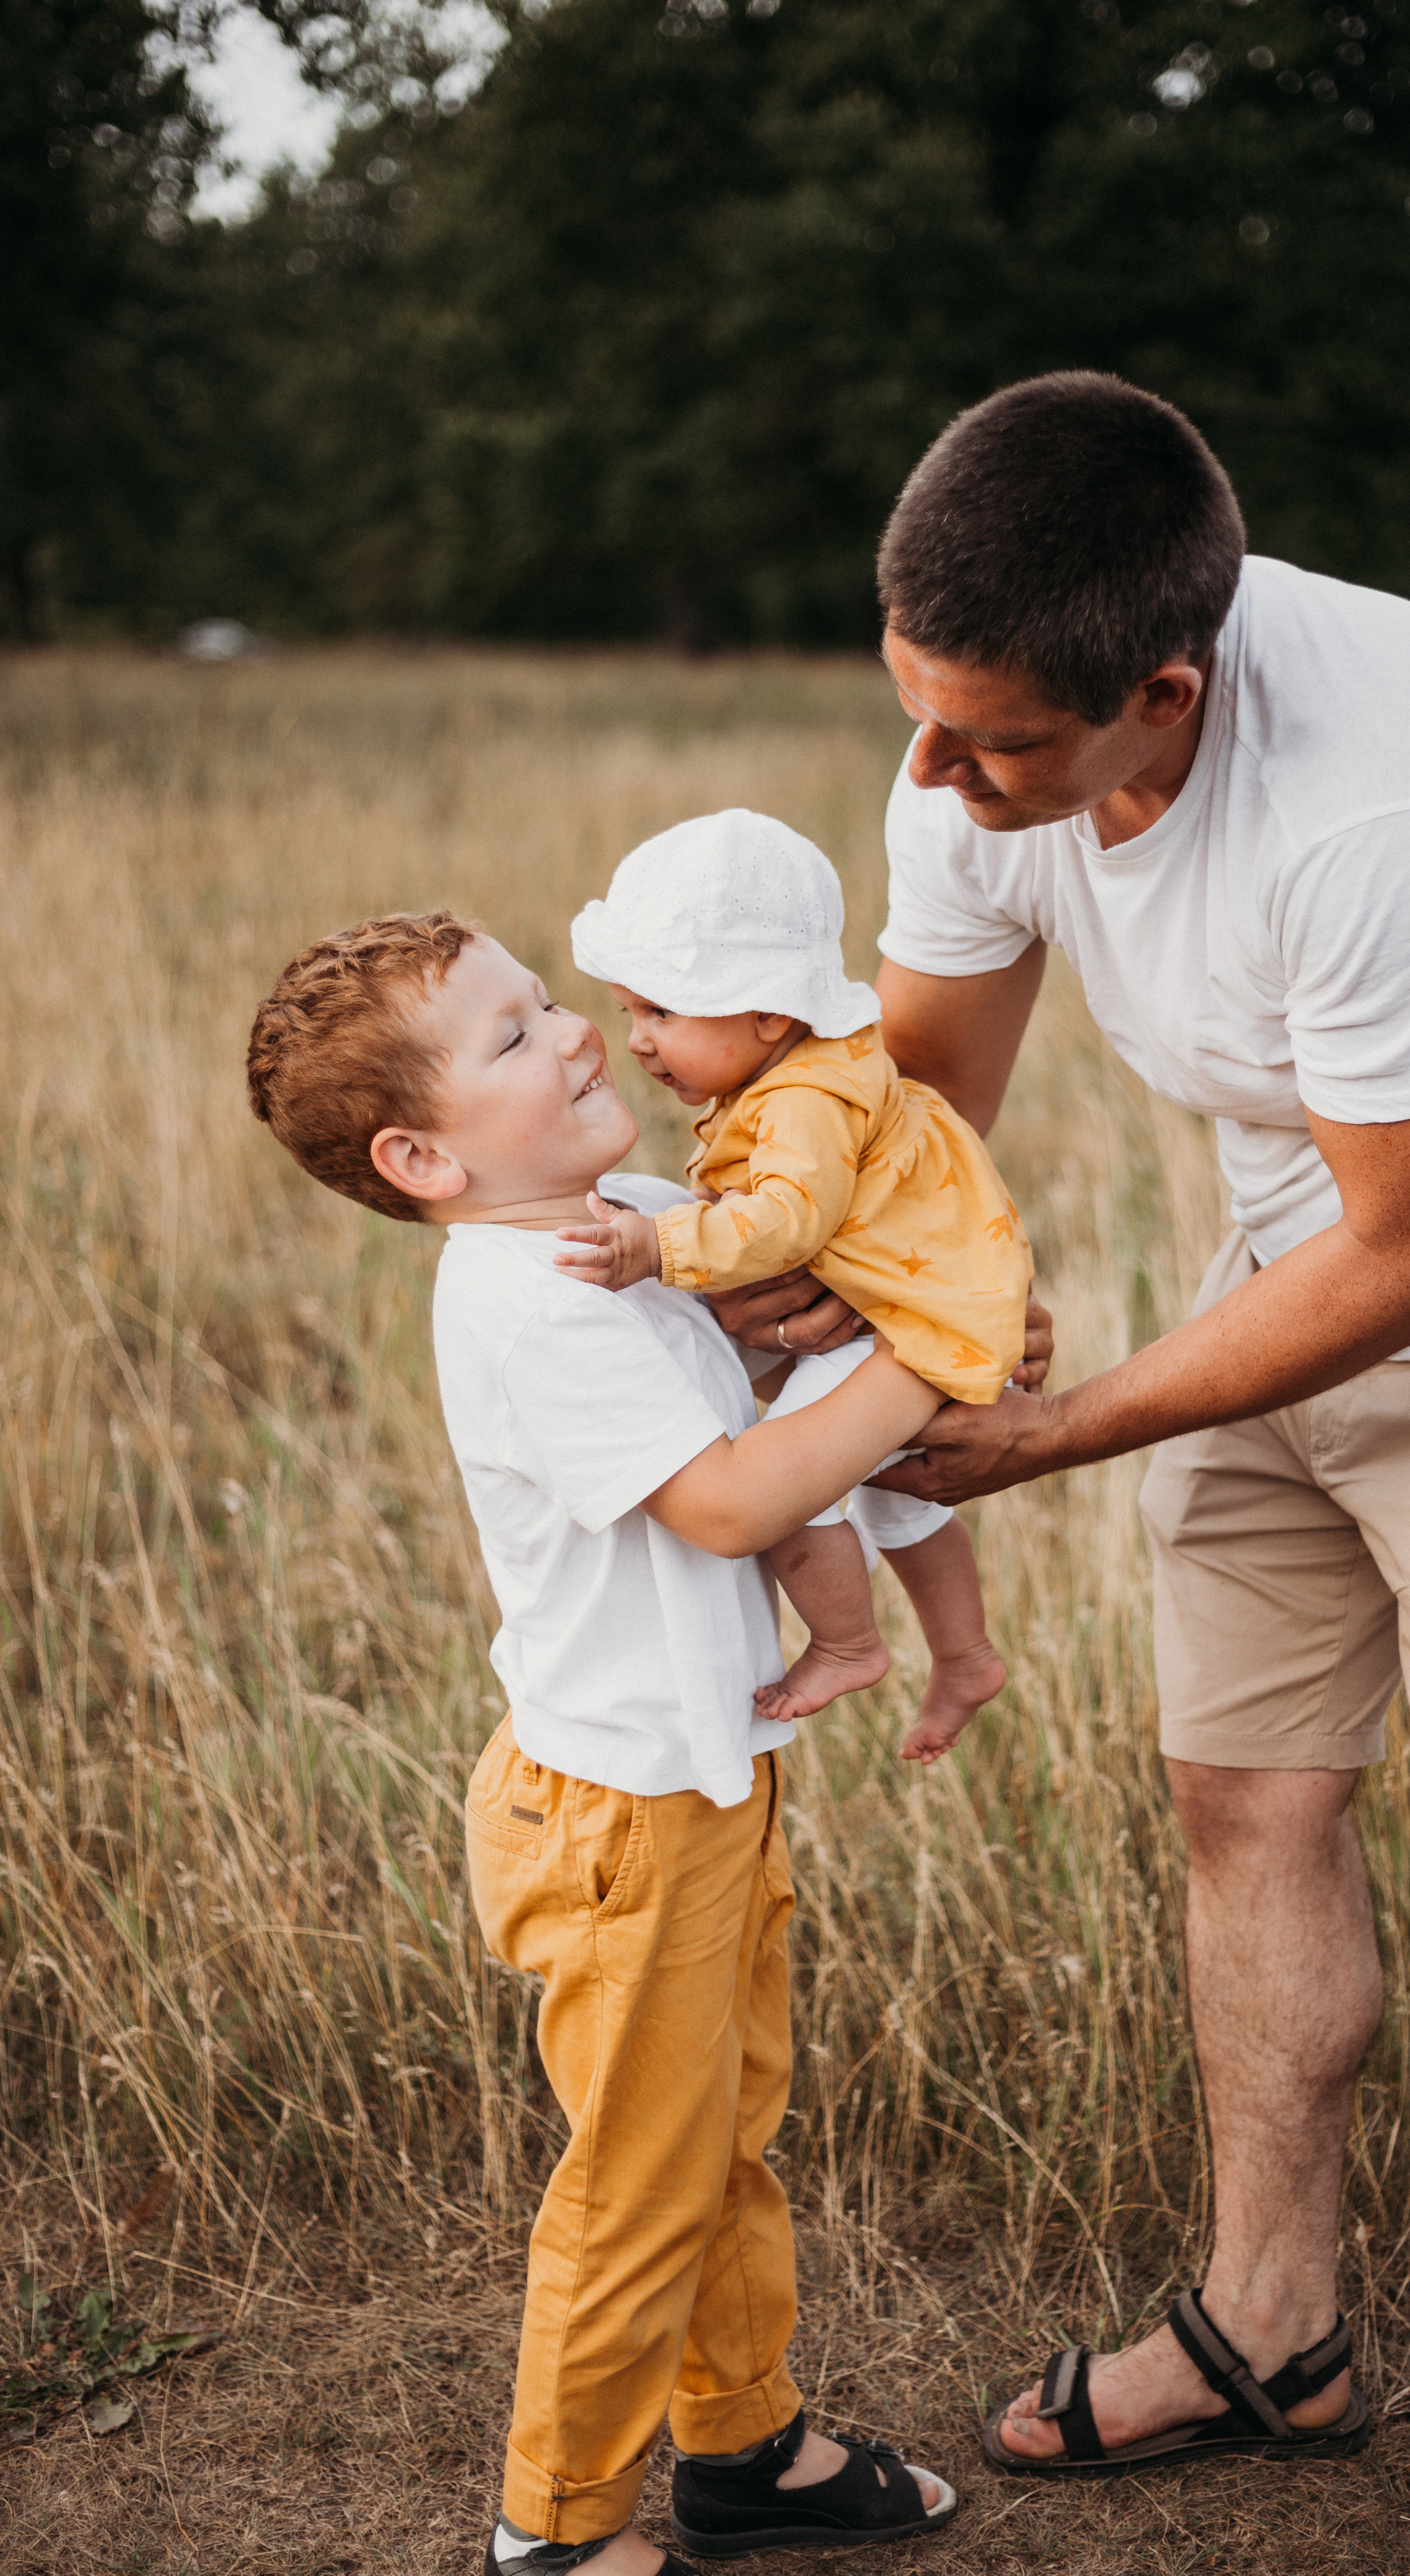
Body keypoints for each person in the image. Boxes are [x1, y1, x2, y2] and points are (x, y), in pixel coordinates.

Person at [710, 374, 1410, 2576]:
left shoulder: (1383, 809)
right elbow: (933, 1107)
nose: (936, 784)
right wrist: (859, 1288)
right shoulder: (977, 756)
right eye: (919, 718)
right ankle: (1279, 2332)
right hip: (1285, 1274)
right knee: (1244, 1797)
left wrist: (1064, 1421)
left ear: (1162, 695)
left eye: (994, 748)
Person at [244, 911, 959, 2576]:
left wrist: (895, 1330)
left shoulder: (627, 1220)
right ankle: (555, 2531)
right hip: (617, 1818)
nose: (573, 1036)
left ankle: (742, 2447)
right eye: (511, 1036)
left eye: (550, 1003)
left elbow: (775, 1329)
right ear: (420, 1158)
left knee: (722, 2138)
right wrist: (927, 1370)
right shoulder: (522, 1301)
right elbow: (722, 1504)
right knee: (641, 2180)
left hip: (702, 1778)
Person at [557, 808, 1029, 1761]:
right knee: (900, 1492)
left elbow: (787, 1223)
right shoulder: (805, 1068)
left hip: (905, 1315)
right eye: (629, 1014)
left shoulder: (807, 1099)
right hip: (914, 1297)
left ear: (768, 1013)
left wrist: (660, 1248)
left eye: (662, 1013)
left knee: (792, 1481)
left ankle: (850, 1644)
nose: (639, 1042)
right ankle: (967, 1654)